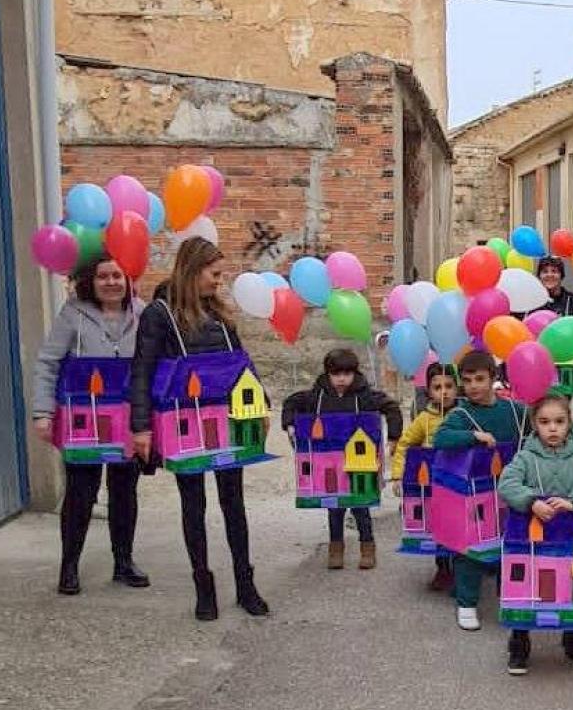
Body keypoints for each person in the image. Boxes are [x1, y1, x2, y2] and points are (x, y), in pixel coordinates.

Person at [129, 237, 269, 621]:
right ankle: (203, 586)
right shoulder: (159, 314)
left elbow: (242, 365)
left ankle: (245, 584)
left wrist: (261, 405)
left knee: (233, 505)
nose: (219, 282)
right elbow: (141, 370)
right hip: (185, 425)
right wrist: (140, 427)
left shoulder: (221, 316)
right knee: (194, 505)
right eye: (215, 274)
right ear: (192, 270)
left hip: (226, 422)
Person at [32, 255, 148, 595]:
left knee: (125, 491)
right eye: (103, 277)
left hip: (127, 420)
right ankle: (69, 566)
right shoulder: (72, 314)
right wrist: (43, 412)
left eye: (117, 275)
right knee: (81, 492)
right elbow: (48, 363)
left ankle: (123, 562)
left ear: (127, 280)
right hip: (84, 420)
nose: (111, 282)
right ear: (90, 281)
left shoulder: (142, 314)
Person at [497, 394, 573, 675]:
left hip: (571, 535)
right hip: (531, 538)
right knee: (526, 589)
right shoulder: (525, 457)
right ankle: (519, 644)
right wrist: (531, 500)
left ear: (570, 423)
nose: (553, 428)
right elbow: (507, 483)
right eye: (545, 422)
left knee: (571, 587)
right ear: (535, 424)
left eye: (559, 421)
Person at [433, 350, 531, 631]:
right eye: (467, 380)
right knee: (471, 550)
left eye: (480, 379)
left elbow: (544, 423)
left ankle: (509, 598)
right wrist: (472, 436)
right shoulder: (462, 414)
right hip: (477, 494)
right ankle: (466, 603)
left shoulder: (514, 410)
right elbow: (441, 438)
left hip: (514, 490)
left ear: (493, 378)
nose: (473, 386)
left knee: (510, 544)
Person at [282, 348, 402, 571]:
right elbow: (291, 402)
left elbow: (391, 407)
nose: (341, 379)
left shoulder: (364, 396)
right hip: (329, 466)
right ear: (328, 374)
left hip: (358, 464)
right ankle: (335, 548)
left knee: (360, 507)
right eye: (336, 374)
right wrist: (289, 425)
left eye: (347, 374)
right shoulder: (316, 396)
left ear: (354, 374)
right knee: (334, 508)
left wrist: (394, 437)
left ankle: (368, 547)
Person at [392, 362, 458, 591]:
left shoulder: (466, 415)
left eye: (449, 386)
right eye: (437, 387)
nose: (444, 392)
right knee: (437, 527)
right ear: (429, 391)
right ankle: (443, 568)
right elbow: (405, 445)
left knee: (459, 526)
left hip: (459, 483)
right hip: (433, 483)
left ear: (457, 388)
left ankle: (462, 571)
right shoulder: (424, 419)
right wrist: (398, 476)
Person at [532, 256, 573, 329]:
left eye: (554, 271)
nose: (550, 275)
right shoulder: (532, 303)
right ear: (539, 276)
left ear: (561, 276)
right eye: (545, 271)